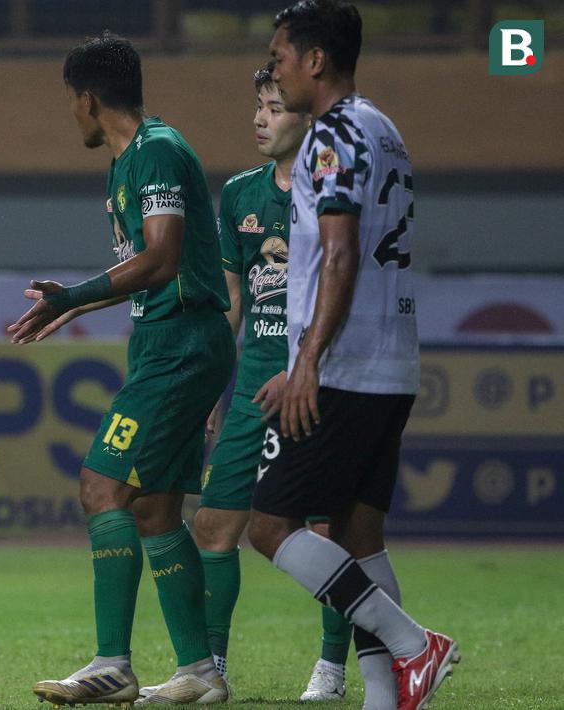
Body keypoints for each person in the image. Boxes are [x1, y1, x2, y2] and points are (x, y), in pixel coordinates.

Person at [246, 3, 458, 710]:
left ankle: (411, 646)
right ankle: (385, 697)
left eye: (278, 56)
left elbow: (338, 254)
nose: (272, 68)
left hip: (346, 364)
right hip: (390, 360)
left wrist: (308, 360)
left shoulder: (332, 132)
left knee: (270, 525)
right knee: (357, 534)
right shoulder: (382, 127)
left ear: (314, 61)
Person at [10, 35, 233, 705]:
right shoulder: (130, 161)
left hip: (181, 343)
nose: (71, 114)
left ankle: (112, 662)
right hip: (169, 339)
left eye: (69, 103)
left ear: (86, 98)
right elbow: (154, 267)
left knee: (100, 487)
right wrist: (76, 307)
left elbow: (162, 258)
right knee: (156, 509)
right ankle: (199, 671)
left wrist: (75, 296)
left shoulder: (155, 151)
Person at [193, 62, 353, 702]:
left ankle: (332, 666)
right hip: (255, 384)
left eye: (274, 108)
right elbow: (232, 297)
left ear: (305, 117)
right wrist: (213, 383)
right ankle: (210, 669)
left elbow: (345, 283)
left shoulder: (331, 187)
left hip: (315, 382)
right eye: (257, 106)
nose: (261, 119)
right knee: (212, 527)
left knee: (323, 529)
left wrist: (309, 363)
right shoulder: (238, 193)